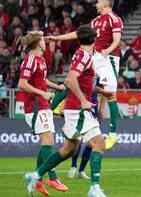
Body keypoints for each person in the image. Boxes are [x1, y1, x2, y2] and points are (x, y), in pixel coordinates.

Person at [25, 26, 108, 197]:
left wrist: (100, 91)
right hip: (78, 109)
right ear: (94, 39)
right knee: (99, 143)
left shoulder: (83, 54)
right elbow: (70, 79)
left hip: (74, 108)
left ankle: (36, 175)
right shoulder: (84, 55)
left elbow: (80, 81)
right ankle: (94, 188)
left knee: (68, 149)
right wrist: (84, 100)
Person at [47, 0, 123, 150]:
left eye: (99, 1)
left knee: (111, 95)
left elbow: (117, 40)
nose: (96, 3)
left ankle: (113, 135)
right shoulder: (95, 21)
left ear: (107, 3)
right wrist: (58, 38)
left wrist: (106, 52)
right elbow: (79, 34)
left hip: (108, 60)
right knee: (73, 79)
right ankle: (50, 109)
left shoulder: (114, 19)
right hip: (94, 56)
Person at [18, 31, 68, 196]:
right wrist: (42, 93)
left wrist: (56, 87)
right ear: (37, 43)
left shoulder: (41, 60)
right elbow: (22, 84)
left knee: (47, 143)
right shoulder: (30, 60)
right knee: (48, 142)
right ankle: (52, 177)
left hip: (43, 105)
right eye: (43, 39)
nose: (45, 41)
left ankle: (37, 179)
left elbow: (42, 80)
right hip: (35, 106)